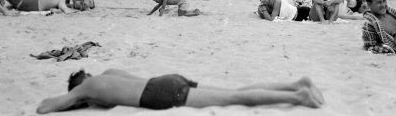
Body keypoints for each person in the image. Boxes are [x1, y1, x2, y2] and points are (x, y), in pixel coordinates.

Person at [36, 68, 324, 113]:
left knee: (235, 98)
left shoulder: (87, 87)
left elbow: (44, 107)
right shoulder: (109, 73)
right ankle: (296, 84)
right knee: (232, 92)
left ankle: (298, 96)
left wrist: (77, 96)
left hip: (159, 95)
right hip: (166, 80)